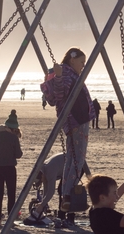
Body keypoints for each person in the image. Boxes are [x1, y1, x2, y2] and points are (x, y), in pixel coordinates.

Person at [40, 47, 94, 212]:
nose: (83, 66)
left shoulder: (68, 73)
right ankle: (69, 194)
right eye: (82, 62)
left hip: (72, 120)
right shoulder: (67, 73)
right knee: (78, 158)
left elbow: (56, 96)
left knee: (71, 158)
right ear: (72, 60)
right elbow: (60, 94)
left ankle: (66, 196)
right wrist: (58, 76)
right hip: (77, 119)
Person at [29, 153, 91, 224]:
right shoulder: (43, 170)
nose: (42, 182)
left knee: (65, 190)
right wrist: (43, 203)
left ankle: (68, 216)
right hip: (68, 167)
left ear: (41, 176)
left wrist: (42, 205)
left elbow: (51, 191)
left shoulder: (49, 170)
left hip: (77, 165)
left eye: (40, 181)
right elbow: (46, 190)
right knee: (62, 190)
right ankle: (62, 215)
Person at [0, 115, 23, 226]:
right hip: (10, 168)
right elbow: (18, 154)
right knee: (11, 194)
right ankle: (10, 220)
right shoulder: (13, 138)